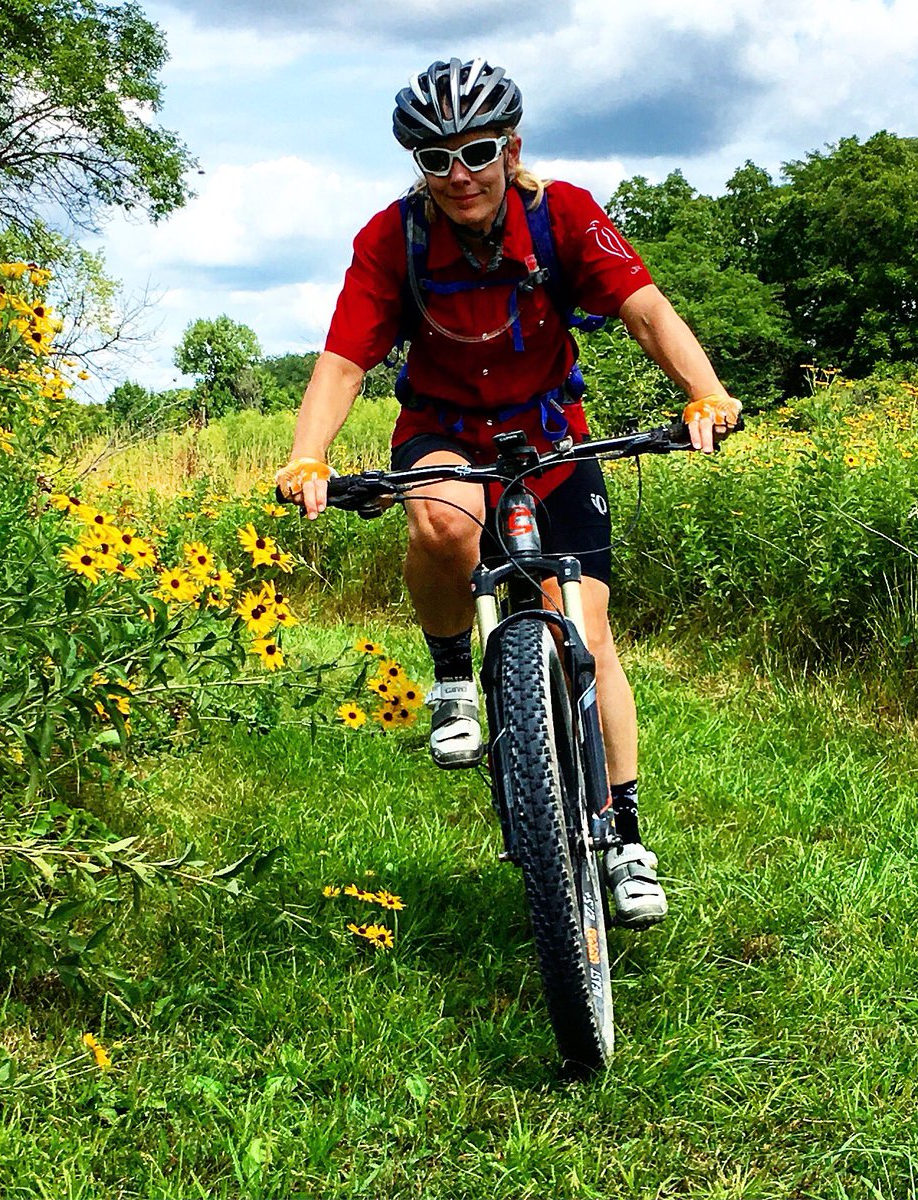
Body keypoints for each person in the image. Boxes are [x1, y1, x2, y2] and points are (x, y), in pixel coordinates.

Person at [276, 57, 740, 928]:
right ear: (417, 166)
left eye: (477, 151)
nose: (459, 175)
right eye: (435, 158)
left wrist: (704, 392)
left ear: (510, 146)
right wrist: (309, 456)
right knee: (445, 523)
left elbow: (645, 309)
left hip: (552, 433)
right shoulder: (393, 239)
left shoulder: (560, 213)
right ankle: (456, 676)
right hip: (445, 429)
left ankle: (626, 834)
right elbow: (343, 360)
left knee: (591, 636)